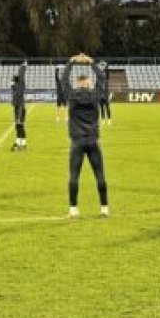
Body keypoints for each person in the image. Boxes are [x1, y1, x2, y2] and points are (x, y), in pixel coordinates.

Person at [61, 53, 109, 218]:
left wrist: (71, 62)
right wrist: (91, 62)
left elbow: (63, 80)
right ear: (88, 83)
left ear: (77, 83)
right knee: (100, 175)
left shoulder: (72, 96)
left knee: (74, 176)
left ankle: (73, 209)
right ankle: (104, 208)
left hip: (77, 141)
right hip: (93, 140)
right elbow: (102, 79)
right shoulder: (95, 95)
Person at [11, 61, 27, 151]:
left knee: (19, 126)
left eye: (13, 80)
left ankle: (19, 144)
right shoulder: (14, 88)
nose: (11, 81)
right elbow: (13, 83)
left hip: (20, 107)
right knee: (18, 126)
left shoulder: (20, 86)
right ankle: (21, 143)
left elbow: (21, 76)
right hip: (17, 107)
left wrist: (23, 67)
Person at [96, 60, 112, 126]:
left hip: (105, 94)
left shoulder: (106, 78)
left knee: (107, 107)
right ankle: (102, 120)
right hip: (100, 94)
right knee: (101, 108)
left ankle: (109, 120)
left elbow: (107, 72)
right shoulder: (98, 79)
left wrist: (105, 66)